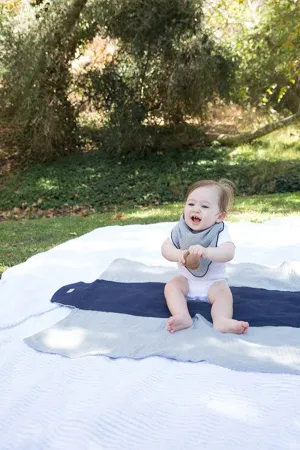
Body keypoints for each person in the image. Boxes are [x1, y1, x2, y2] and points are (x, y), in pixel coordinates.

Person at [161, 179, 249, 334]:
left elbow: (229, 252)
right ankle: (182, 315)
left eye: (204, 206)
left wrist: (207, 252)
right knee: (171, 287)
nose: (196, 209)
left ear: (219, 217)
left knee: (224, 295)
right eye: (191, 204)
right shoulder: (180, 228)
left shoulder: (219, 231)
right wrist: (178, 254)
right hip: (186, 281)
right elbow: (166, 248)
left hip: (213, 283)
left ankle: (221, 320)